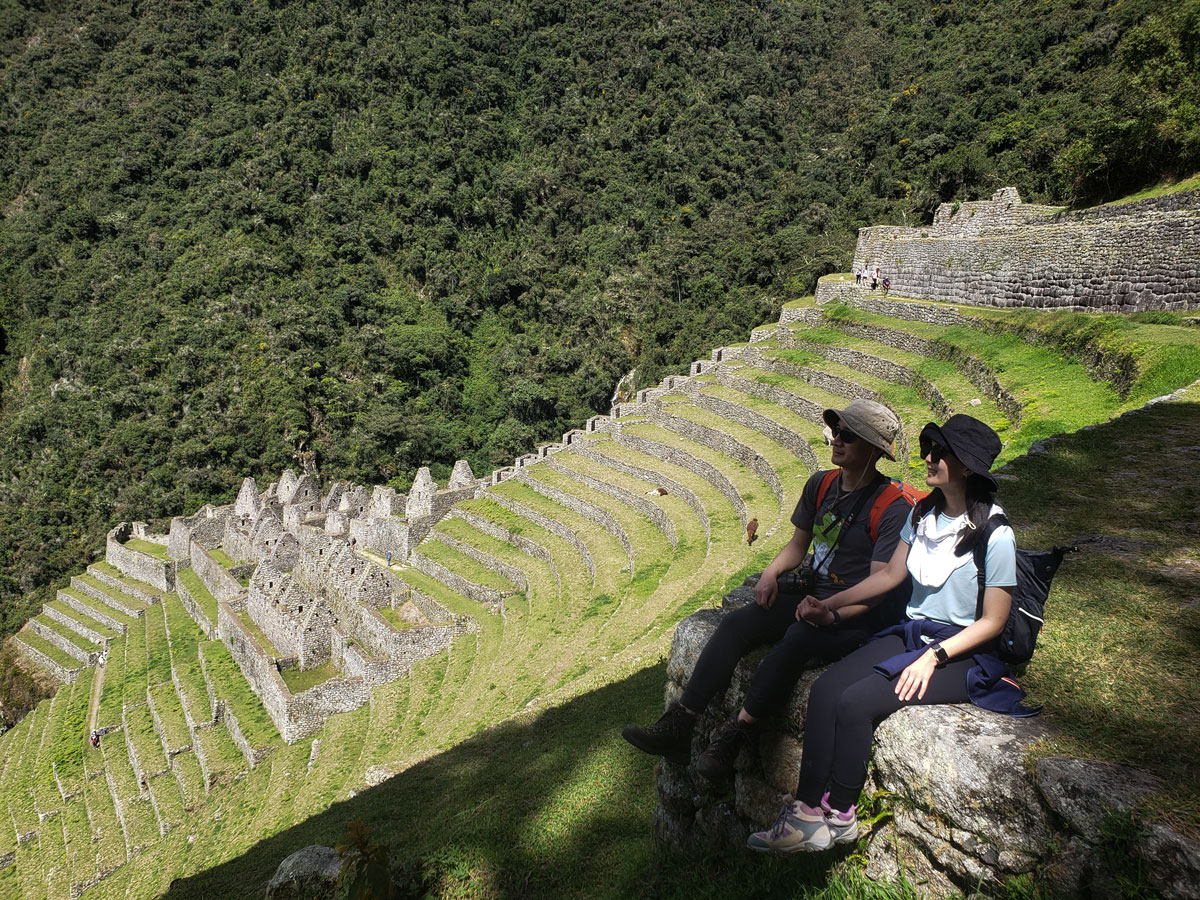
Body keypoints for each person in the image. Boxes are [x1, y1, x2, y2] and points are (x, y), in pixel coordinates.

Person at [746, 414, 1019, 854]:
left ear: (966, 467)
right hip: (913, 631)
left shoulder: (995, 533)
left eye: (940, 452)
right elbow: (891, 575)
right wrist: (829, 604)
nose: (928, 457)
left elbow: (993, 622)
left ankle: (840, 815)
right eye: (929, 447)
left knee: (856, 702)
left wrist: (935, 658)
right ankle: (806, 814)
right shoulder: (923, 513)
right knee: (826, 690)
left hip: (963, 649)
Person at [622, 399, 913, 780]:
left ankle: (735, 735)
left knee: (798, 636)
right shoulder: (821, 485)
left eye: (848, 435)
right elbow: (797, 546)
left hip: (855, 612)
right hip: (814, 590)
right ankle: (681, 725)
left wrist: (830, 612)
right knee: (738, 624)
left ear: (874, 450)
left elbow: (876, 588)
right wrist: (769, 575)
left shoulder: (892, 506)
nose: (836, 440)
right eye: (836, 431)